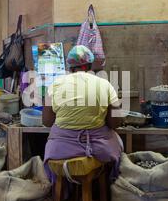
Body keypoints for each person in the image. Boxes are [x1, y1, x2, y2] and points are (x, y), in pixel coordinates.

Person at [42, 45, 124, 183]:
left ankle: (63, 196)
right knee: (118, 144)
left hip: (59, 151)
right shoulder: (105, 84)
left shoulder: (55, 85)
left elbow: (47, 122)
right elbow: (114, 123)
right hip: (99, 150)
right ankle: (107, 190)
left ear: (69, 67)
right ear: (90, 65)